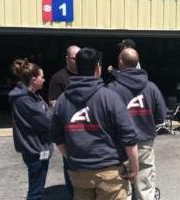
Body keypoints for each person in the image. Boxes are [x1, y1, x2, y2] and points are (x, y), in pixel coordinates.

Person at [51, 47, 139, 200]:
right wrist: (134, 167)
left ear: (76, 67)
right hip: (109, 173)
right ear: (98, 68)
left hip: (79, 174)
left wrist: (71, 158)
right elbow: (129, 136)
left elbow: (57, 136)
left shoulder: (62, 100)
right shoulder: (110, 97)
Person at [108, 48, 166, 200]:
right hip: (145, 144)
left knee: (122, 187)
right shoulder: (151, 87)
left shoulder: (112, 89)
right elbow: (161, 116)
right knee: (145, 186)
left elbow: (105, 119)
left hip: (120, 145)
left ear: (120, 62)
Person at [8, 58, 53, 200]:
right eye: (42, 77)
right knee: (36, 191)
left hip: (39, 147)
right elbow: (46, 121)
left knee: (38, 187)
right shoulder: (24, 100)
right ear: (34, 80)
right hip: (35, 149)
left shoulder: (33, 96)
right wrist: (55, 107)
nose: (44, 80)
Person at [48, 45, 80, 197]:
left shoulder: (86, 73)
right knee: (70, 165)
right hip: (69, 131)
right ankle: (71, 193)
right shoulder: (59, 78)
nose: (79, 61)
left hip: (87, 127)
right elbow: (53, 103)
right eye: (75, 58)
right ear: (67, 59)